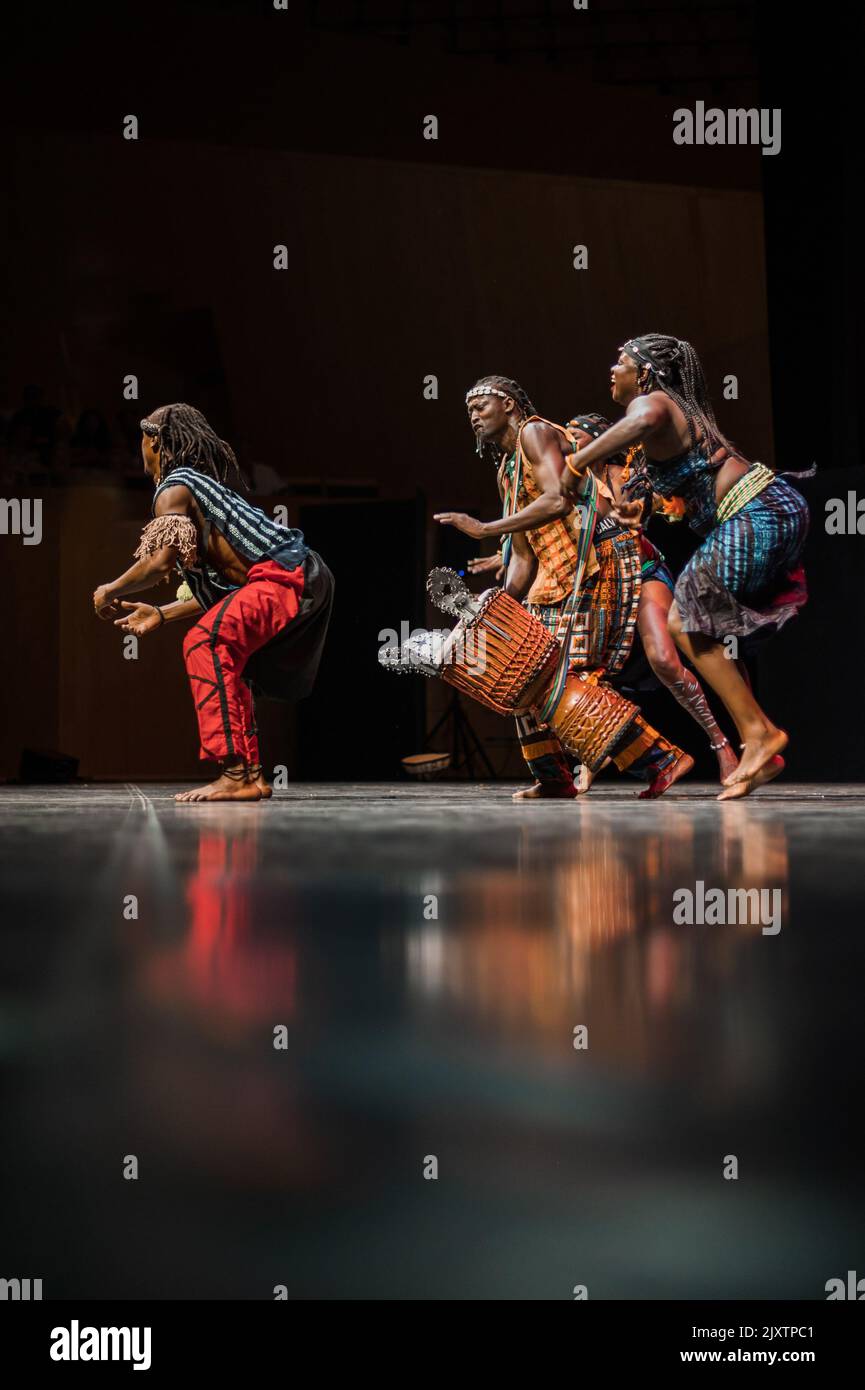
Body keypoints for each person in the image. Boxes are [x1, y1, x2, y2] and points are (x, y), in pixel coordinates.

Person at [560, 336, 809, 799]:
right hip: (763, 511)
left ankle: (759, 734)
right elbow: (672, 489)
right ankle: (760, 745)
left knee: (684, 619)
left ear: (647, 372)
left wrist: (577, 459)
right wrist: (641, 509)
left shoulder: (655, 403)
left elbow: (644, 419)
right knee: (695, 629)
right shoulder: (664, 426)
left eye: (621, 362)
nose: (612, 370)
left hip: (758, 510)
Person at [434, 375, 692, 800]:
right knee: (523, 672)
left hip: (595, 561)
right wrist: (493, 610)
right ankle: (553, 776)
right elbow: (522, 555)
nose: (474, 416)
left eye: (482, 406)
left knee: (564, 676)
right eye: (469, 412)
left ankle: (660, 758)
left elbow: (558, 499)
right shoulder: (507, 469)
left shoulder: (536, 432)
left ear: (510, 405)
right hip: (554, 575)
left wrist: (484, 528)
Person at [92, 403, 333, 802]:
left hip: (285, 575)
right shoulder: (198, 490)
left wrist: (111, 589)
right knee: (226, 651)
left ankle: (234, 772)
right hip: (294, 576)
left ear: (152, 441)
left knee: (205, 643)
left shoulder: (174, 488)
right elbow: (225, 597)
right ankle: (251, 776)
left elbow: (160, 561)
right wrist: (163, 613)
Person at [566, 411, 737, 787]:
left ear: (596, 441)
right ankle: (590, 762)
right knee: (588, 675)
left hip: (643, 574)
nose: (567, 440)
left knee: (663, 659)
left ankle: (722, 746)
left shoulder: (627, 478)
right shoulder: (567, 487)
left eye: (575, 434)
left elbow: (660, 503)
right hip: (601, 588)